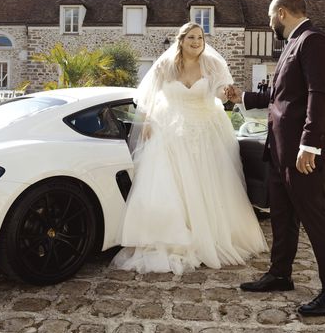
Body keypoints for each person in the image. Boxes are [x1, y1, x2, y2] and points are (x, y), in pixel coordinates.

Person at [226, 0, 325, 317]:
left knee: (318, 220)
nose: (270, 25)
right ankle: (280, 274)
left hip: (306, 154)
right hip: (281, 152)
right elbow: (280, 96)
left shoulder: (314, 41)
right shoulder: (292, 45)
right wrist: (243, 96)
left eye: (270, 18)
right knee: (282, 216)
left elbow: (319, 94)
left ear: (281, 13)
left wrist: (310, 144)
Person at [111, 22, 268, 275]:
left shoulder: (212, 64)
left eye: (200, 37)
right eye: (191, 37)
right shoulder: (165, 66)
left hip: (206, 132)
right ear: (181, 40)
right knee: (171, 186)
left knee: (208, 185)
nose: (197, 42)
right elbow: (147, 97)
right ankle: (173, 238)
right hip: (170, 132)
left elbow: (220, 92)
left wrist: (227, 93)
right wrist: (148, 120)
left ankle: (211, 238)